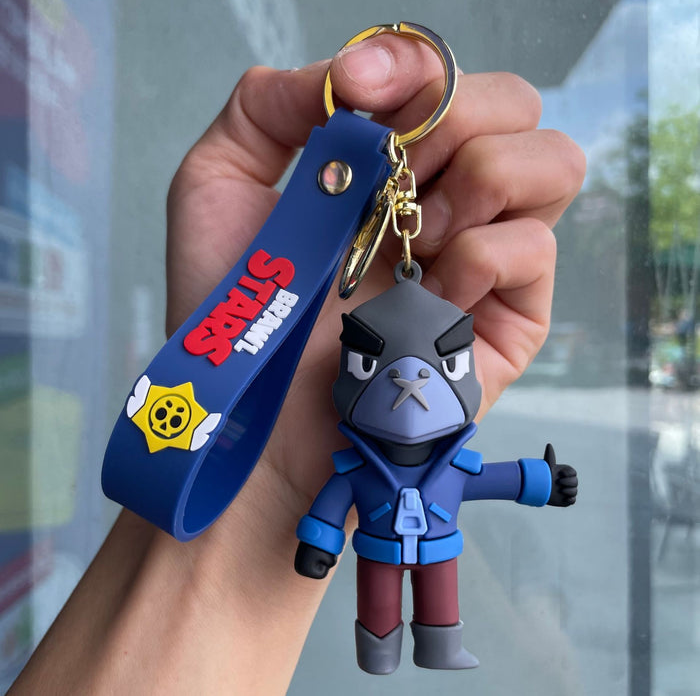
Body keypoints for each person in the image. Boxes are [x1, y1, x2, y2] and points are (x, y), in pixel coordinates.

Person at [9, 35, 585, 694]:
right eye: (378, 369)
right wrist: (298, 521)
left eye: (440, 370)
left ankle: (439, 641)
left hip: (431, 551)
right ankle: (381, 645)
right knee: (380, 609)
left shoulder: (430, 465)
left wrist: (541, 480)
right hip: (366, 544)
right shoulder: (357, 467)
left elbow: (495, 480)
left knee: (439, 606)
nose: (411, 389)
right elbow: (341, 503)